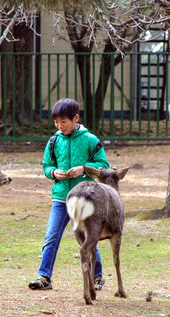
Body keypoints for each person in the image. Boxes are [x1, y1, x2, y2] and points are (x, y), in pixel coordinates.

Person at [28, 98, 110, 290]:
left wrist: (83, 168)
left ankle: (97, 277)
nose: (59, 126)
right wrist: (53, 173)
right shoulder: (54, 141)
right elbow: (47, 165)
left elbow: (104, 166)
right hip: (60, 197)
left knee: (87, 238)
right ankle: (44, 278)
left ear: (75, 118)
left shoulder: (91, 140)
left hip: (84, 198)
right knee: (51, 237)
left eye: (63, 121)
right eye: (56, 122)